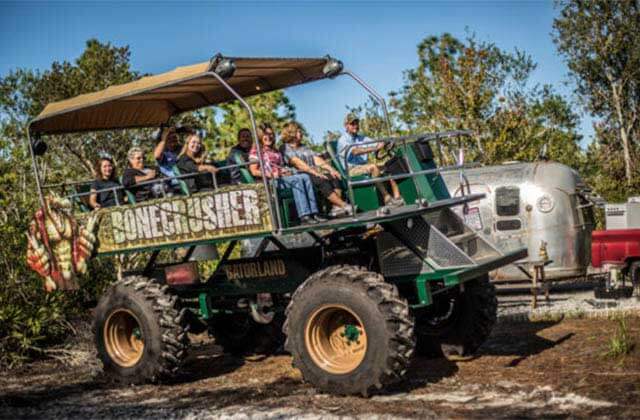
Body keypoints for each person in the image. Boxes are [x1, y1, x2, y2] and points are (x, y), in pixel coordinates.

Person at [249, 123, 326, 224]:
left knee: (305, 177)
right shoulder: (256, 151)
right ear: (260, 136)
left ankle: (314, 212)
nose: (269, 137)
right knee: (297, 180)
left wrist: (285, 171)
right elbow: (254, 171)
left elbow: (279, 166)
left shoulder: (275, 150)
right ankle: (304, 215)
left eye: (271, 134)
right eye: (266, 135)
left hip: (281, 178)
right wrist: (271, 175)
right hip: (269, 181)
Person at [280, 122, 352, 218]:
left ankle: (336, 207)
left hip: (312, 172)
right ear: (291, 133)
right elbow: (297, 163)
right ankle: (344, 205)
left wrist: (331, 169)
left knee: (333, 177)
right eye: (298, 131)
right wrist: (315, 172)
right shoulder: (285, 148)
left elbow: (316, 158)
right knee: (319, 179)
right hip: (300, 174)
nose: (301, 133)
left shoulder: (303, 147)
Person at [336, 113, 403, 207]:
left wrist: (387, 142)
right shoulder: (343, 140)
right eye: (352, 124)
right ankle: (387, 198)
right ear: (346, 126)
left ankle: (397, 198)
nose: (355, 126)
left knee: (389, 166)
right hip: (351, 170)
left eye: (357, 123)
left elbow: (375, 143)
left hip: (363, 166)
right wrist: (375, 148)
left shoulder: (362, 138)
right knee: (373, 167)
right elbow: (355, 151)